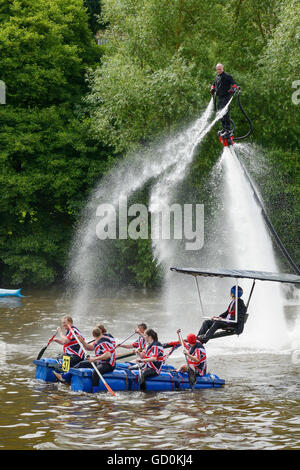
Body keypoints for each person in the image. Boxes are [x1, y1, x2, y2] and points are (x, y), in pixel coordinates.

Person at [210, 63, 238, 138]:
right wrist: (212, 88)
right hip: (219, 98)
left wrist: (233, 89)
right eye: (217, 69)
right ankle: (224, 128)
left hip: (226, 97)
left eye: (220, 69)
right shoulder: (217, 77)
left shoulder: (227, 76)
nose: (218, 70)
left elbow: (235, 84)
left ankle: (228, 130)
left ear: (223, 68)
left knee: (225, 113)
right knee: (219, 113)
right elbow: (213, 84)